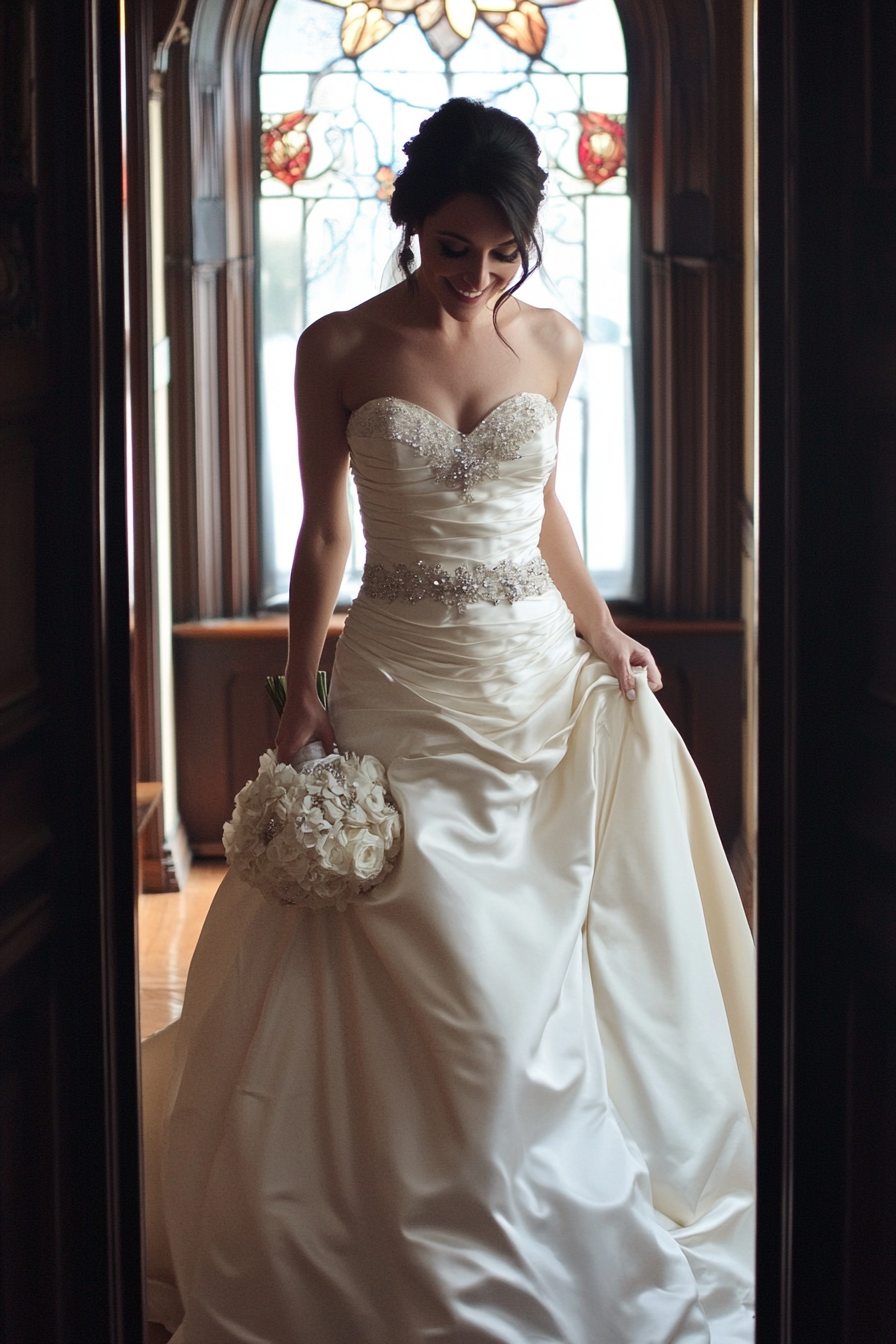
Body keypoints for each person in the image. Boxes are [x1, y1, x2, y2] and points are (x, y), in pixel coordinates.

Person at [142, 97, 755, 1343]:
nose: (476, 276)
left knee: (541, 959)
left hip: (532, 681)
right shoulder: (336, 348)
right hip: (400, 682)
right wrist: (300, 693)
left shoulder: (556, 345)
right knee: (435, 954)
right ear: (408, 226)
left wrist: (602, 632)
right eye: (450, 248)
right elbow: (323, 537)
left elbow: (544, 515)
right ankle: (382, 1225)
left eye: (500, 252)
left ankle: (543, 1199)